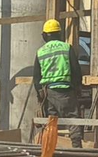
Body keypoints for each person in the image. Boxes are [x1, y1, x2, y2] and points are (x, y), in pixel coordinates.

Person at [33, 20, 83, 149]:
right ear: (59, 33)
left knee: (51, 121)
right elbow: (76, 70)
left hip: (49, 93)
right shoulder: (66, 48)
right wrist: (78, 87)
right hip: (66, 90)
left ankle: (49, 149)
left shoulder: (41, 52)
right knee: (73, 119)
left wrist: (40, 93)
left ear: (45, 35)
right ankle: (77, 149)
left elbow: (36, 76)